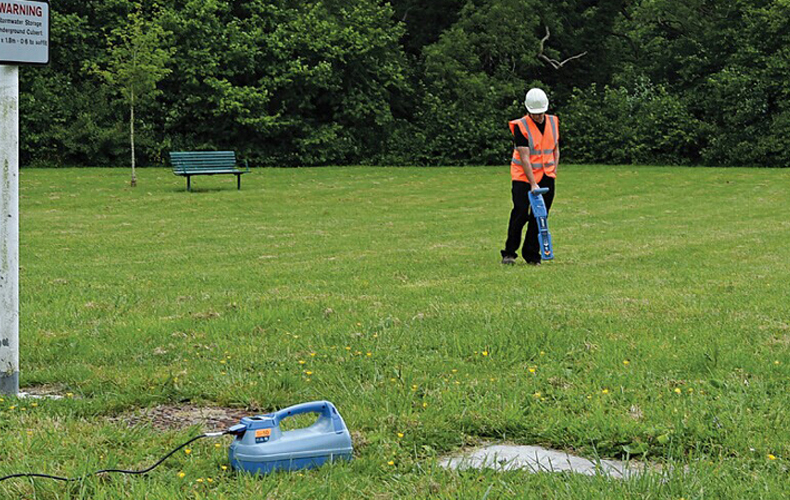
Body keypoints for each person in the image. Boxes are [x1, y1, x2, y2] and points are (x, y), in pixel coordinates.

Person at [501, 88, 560, 265]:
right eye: (534, 113)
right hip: (523, 178)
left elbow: (555, 148)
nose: (538, 116)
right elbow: (525, 157)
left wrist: (553, 172)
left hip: (546, 176)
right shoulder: (521, 126)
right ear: (528, 111)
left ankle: (532, 255)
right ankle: (509, 253)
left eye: (540, 112)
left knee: (540, 217)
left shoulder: (553, 121)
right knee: (520, 213)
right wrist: (533, 183)